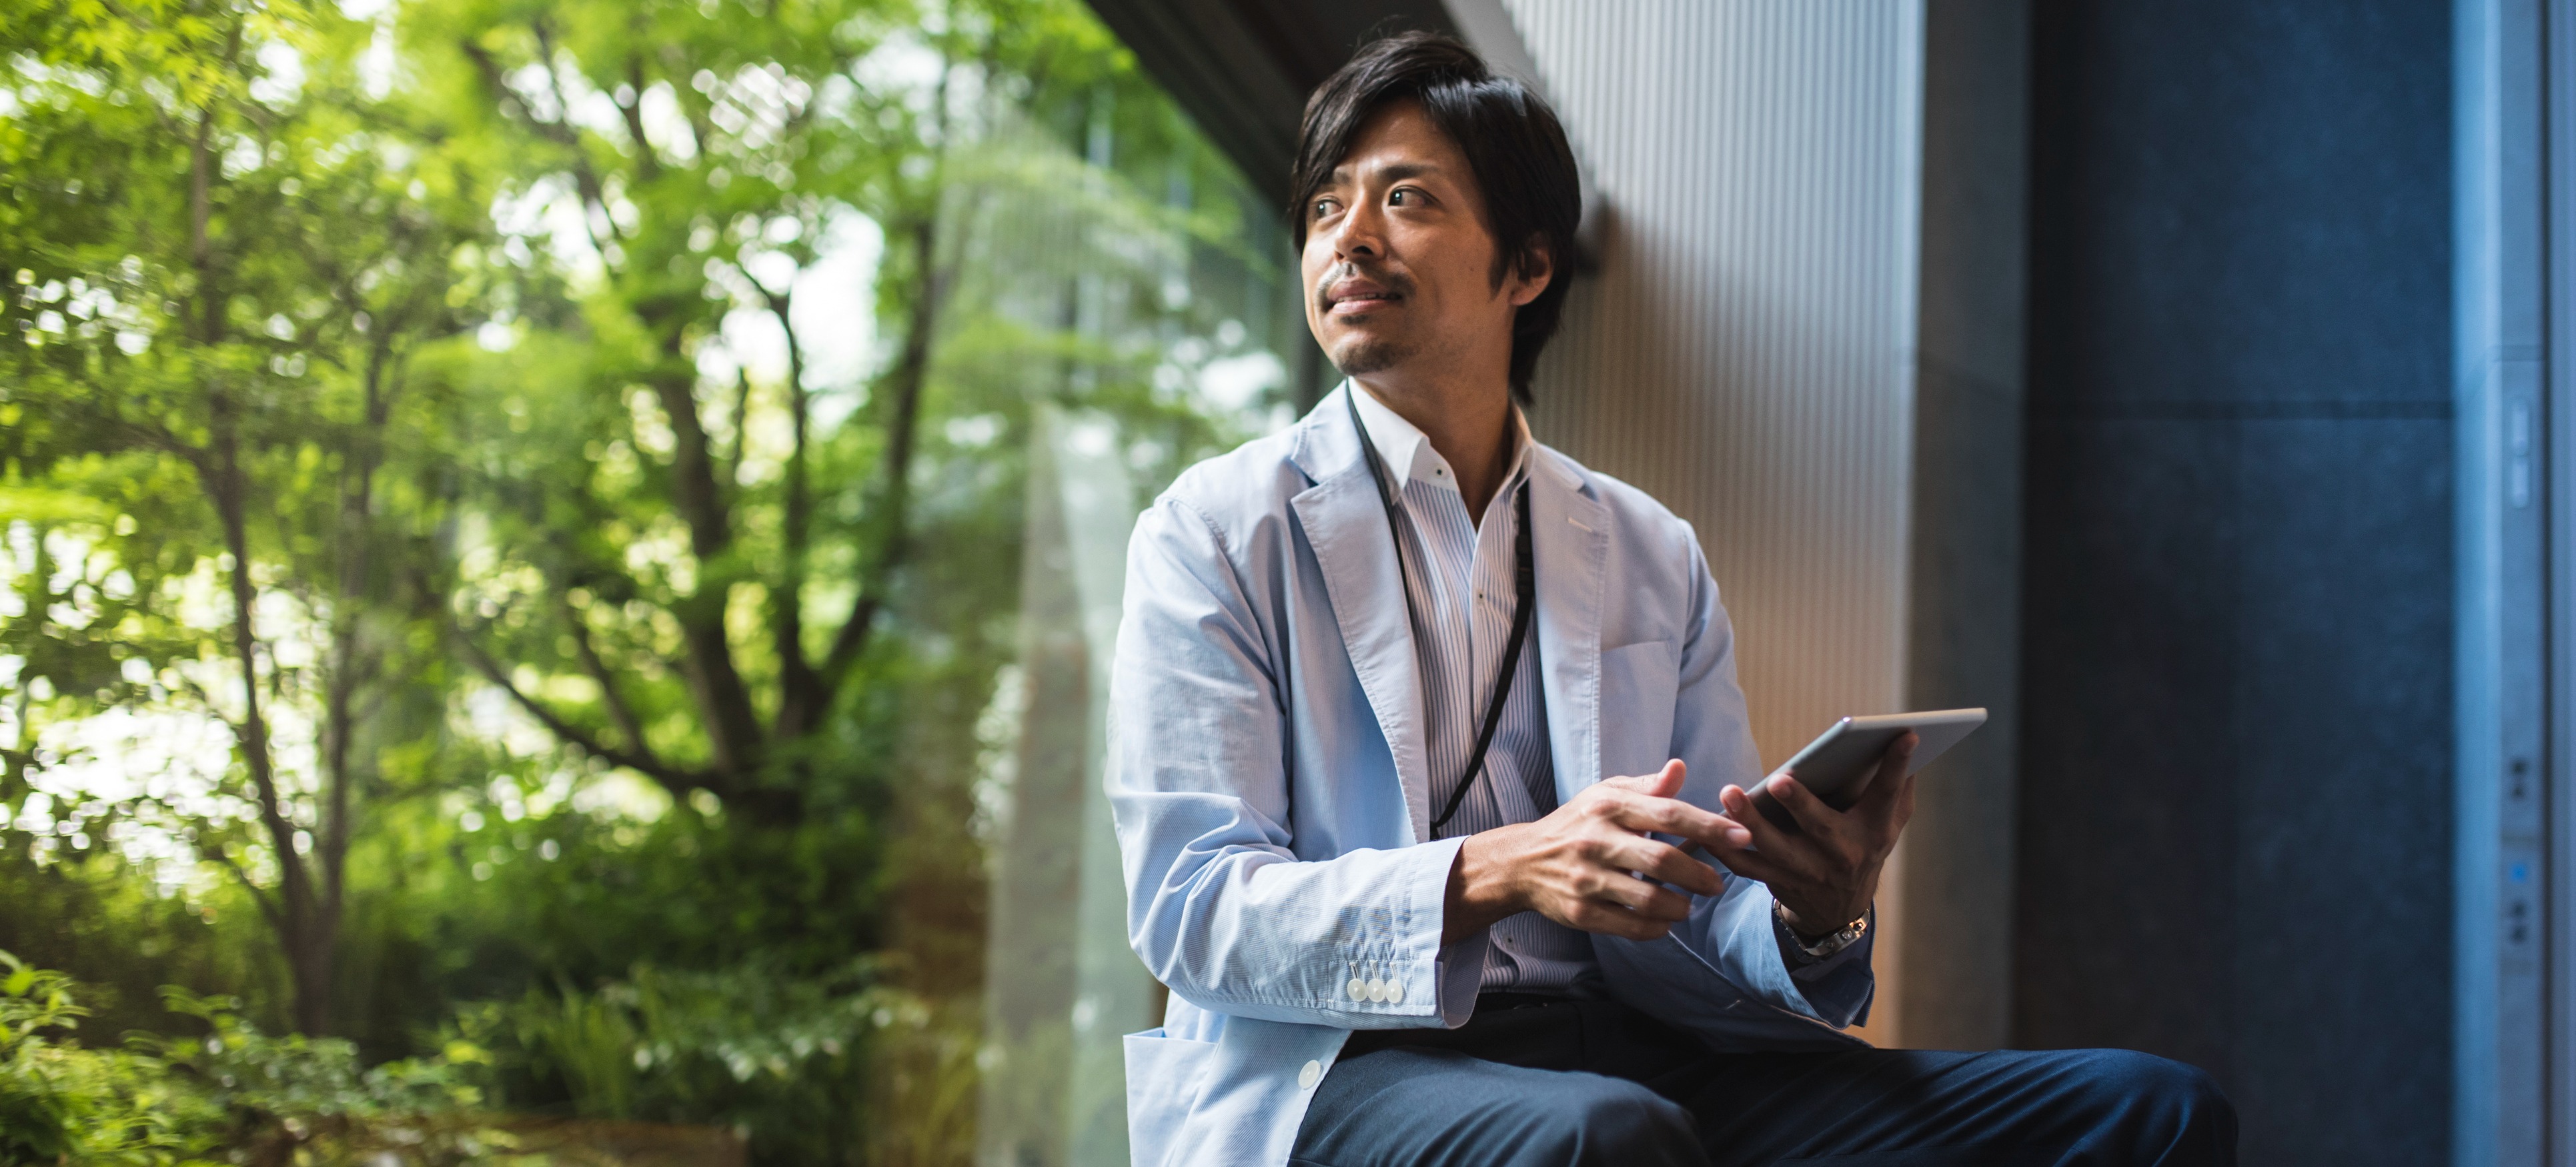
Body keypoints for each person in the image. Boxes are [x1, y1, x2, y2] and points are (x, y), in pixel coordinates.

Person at [1109, 31, 2234, 1167]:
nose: (1347, 235)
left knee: (2149, 1108)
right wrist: (1505, 866)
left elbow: (1698, 907)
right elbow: (1191, 907)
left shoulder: (1649, 548)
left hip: (1637, 1045)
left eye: (1405, 198)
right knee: (1610, 1133)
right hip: (1344, 1060)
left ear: (1527, 265)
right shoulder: (1214, 529)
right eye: (1323, 206)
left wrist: (1814, 911)